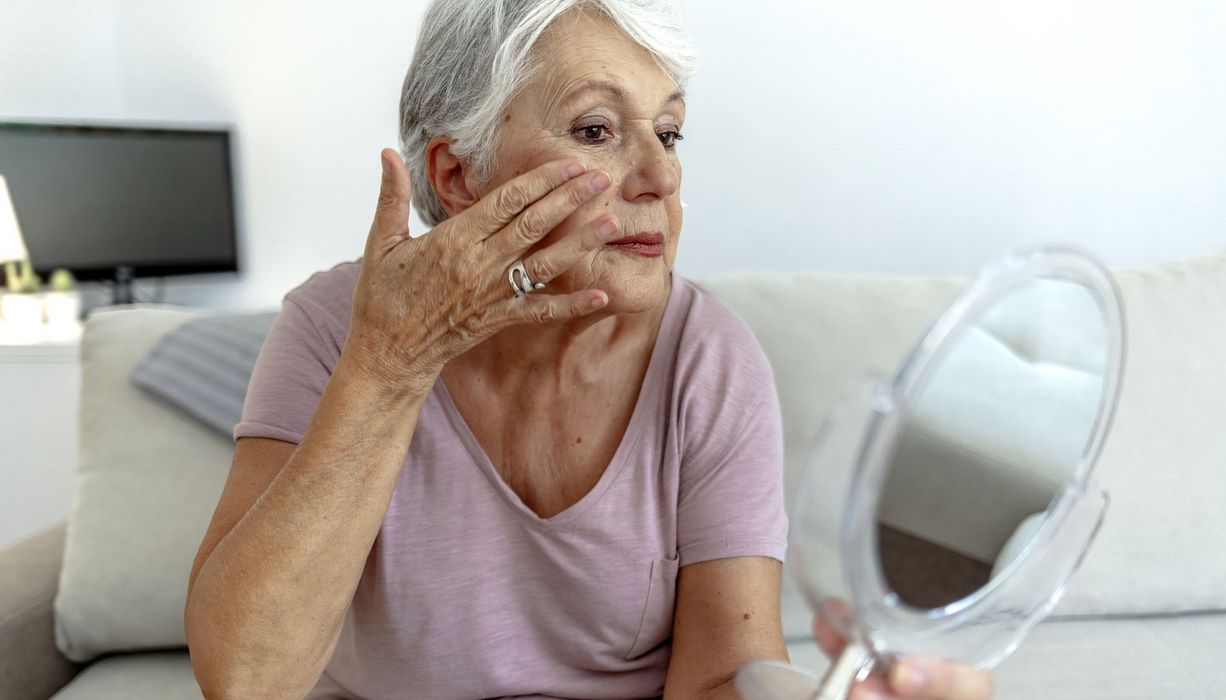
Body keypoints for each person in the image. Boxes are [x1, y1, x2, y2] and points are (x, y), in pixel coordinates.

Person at [184, 1, 995, 698]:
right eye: (598, 129)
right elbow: (247, 678)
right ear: (458, 174)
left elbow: (723, 678)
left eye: (670, 133)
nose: (660, 177)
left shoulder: (706, 358)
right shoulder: (336, 327)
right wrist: (391, 364)